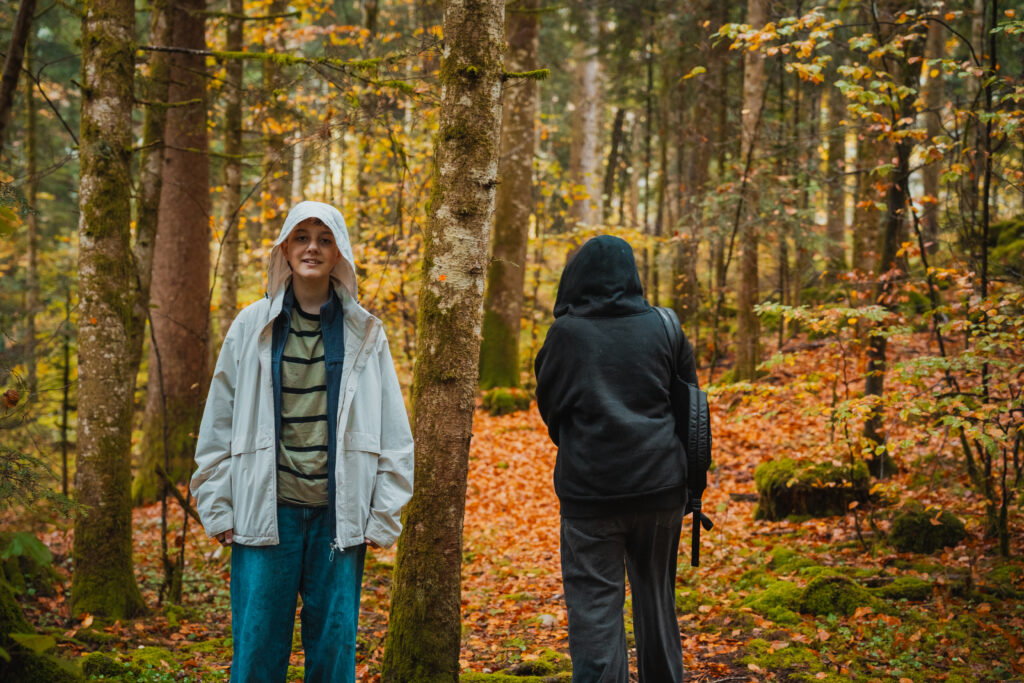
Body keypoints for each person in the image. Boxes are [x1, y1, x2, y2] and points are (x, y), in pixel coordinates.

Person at [190, 200, 414, 683]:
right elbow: (218, 424)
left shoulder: (365, 332)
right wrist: (217, 504)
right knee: (255, 654)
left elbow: (394, 431)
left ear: (339, 254)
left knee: (334, 653)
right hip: (265, 513)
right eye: (301, 237)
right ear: (285, 250)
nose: (312, 247)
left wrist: (383, 514)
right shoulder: (251, 326)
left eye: (324, 238)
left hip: (340, 517)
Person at [534, 235, 698, 683]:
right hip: (662, 489)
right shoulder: (665, 325)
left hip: (591, 497)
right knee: (658, 605)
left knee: (595, 615)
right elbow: (691, 410)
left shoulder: (566, 334)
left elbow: (551, 409)